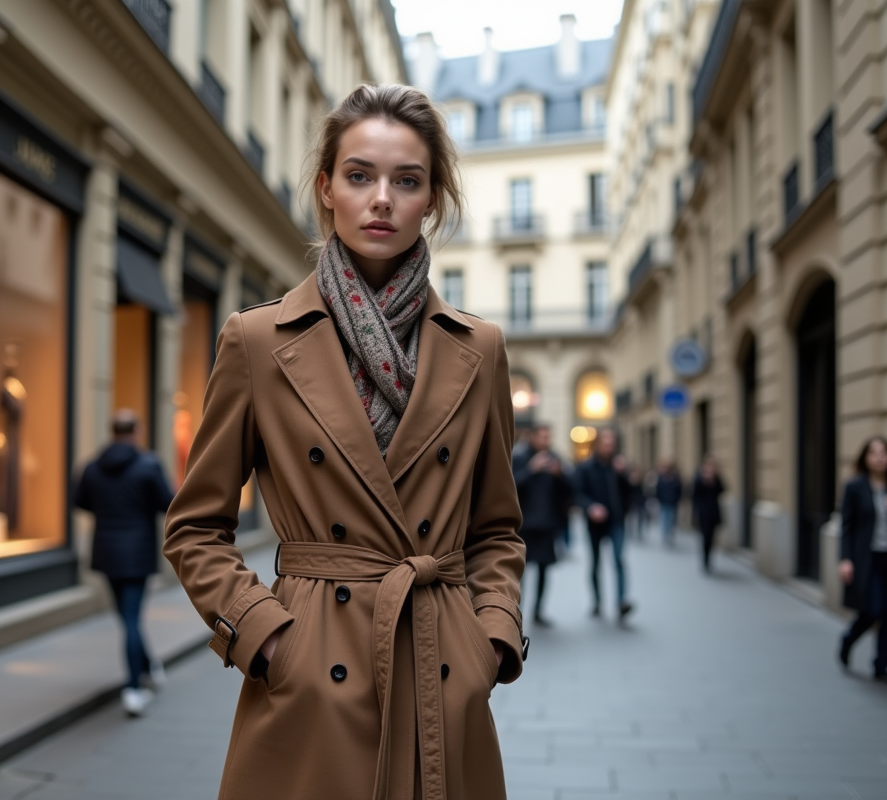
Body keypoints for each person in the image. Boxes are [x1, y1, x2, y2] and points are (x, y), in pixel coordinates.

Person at [163, 84, 527, 799]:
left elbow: (496, 529)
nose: (381, 199)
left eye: (407, 181)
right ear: (327, 189)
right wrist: (267, 638)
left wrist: (488, 639)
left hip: (439, 671)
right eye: (360, 176)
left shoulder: (479, 349)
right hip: (310, 679)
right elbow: (195, 527)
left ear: (432, 199)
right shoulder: (257, 340)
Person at [74, 410, 176, 716]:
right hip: (137, 552)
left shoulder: (92, 466)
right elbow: (168, 503)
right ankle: (134, 688)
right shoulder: (149, 464)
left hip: (106, 551)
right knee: (131, 617)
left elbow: (80, 501)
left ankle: (147, 665)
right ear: (137, 431)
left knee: (126, 616)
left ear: (113, 431)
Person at [838, 436, 887, 686]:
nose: (880, 457)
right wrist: (845, 559)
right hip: (866, 559)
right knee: (872, 610)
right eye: (874, 453)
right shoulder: (854, 487)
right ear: (866, 458)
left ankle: (882, 666)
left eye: (884, 453)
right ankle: (848, 639)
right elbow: (846, 526)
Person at [513, 424, 572, 626]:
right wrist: (531, 470)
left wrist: (560, 475)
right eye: (542, 436)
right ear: (532, 437)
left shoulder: (554, 459)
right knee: (520, 572)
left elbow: (569, 490)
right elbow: (510, 487)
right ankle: (516, 611)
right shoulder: (520, 458)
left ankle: (538, 611)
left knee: (544, 570)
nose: (545, 441)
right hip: (525, 525)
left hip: (547, 524)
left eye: (548, 437)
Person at [574, 428, 634, 620]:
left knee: (619, 560)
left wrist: (623, 475)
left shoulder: (618, 466)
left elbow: (631, 492)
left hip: (616, 521)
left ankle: (621, 602)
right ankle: (597, 601)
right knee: (595, 563)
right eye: (605, 443)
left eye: (612, 443)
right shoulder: (586, 467)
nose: (609, 447)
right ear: (597, 445)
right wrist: (591, 507)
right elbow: (577, 494)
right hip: (595, 524)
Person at [691, 454, 725, 573]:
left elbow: (722, 490)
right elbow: (694, 494)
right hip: (703, 512)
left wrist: (714, 481)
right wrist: (704, 481)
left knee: (712, 537)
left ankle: (709, 558)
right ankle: (705, 560)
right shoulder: (698, 477)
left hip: (714, 512)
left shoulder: (716, 478)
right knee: (705, 537)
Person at [655, 458, 683, 547]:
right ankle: (666, 535)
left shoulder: (675, 478)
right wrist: (659, 498)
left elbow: (679, 490)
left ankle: (670, 535)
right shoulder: (661, 477)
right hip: (664, 501)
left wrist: (677, 499)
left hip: (672, 502)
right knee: (664, 519)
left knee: (671, 519)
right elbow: (658, 489)